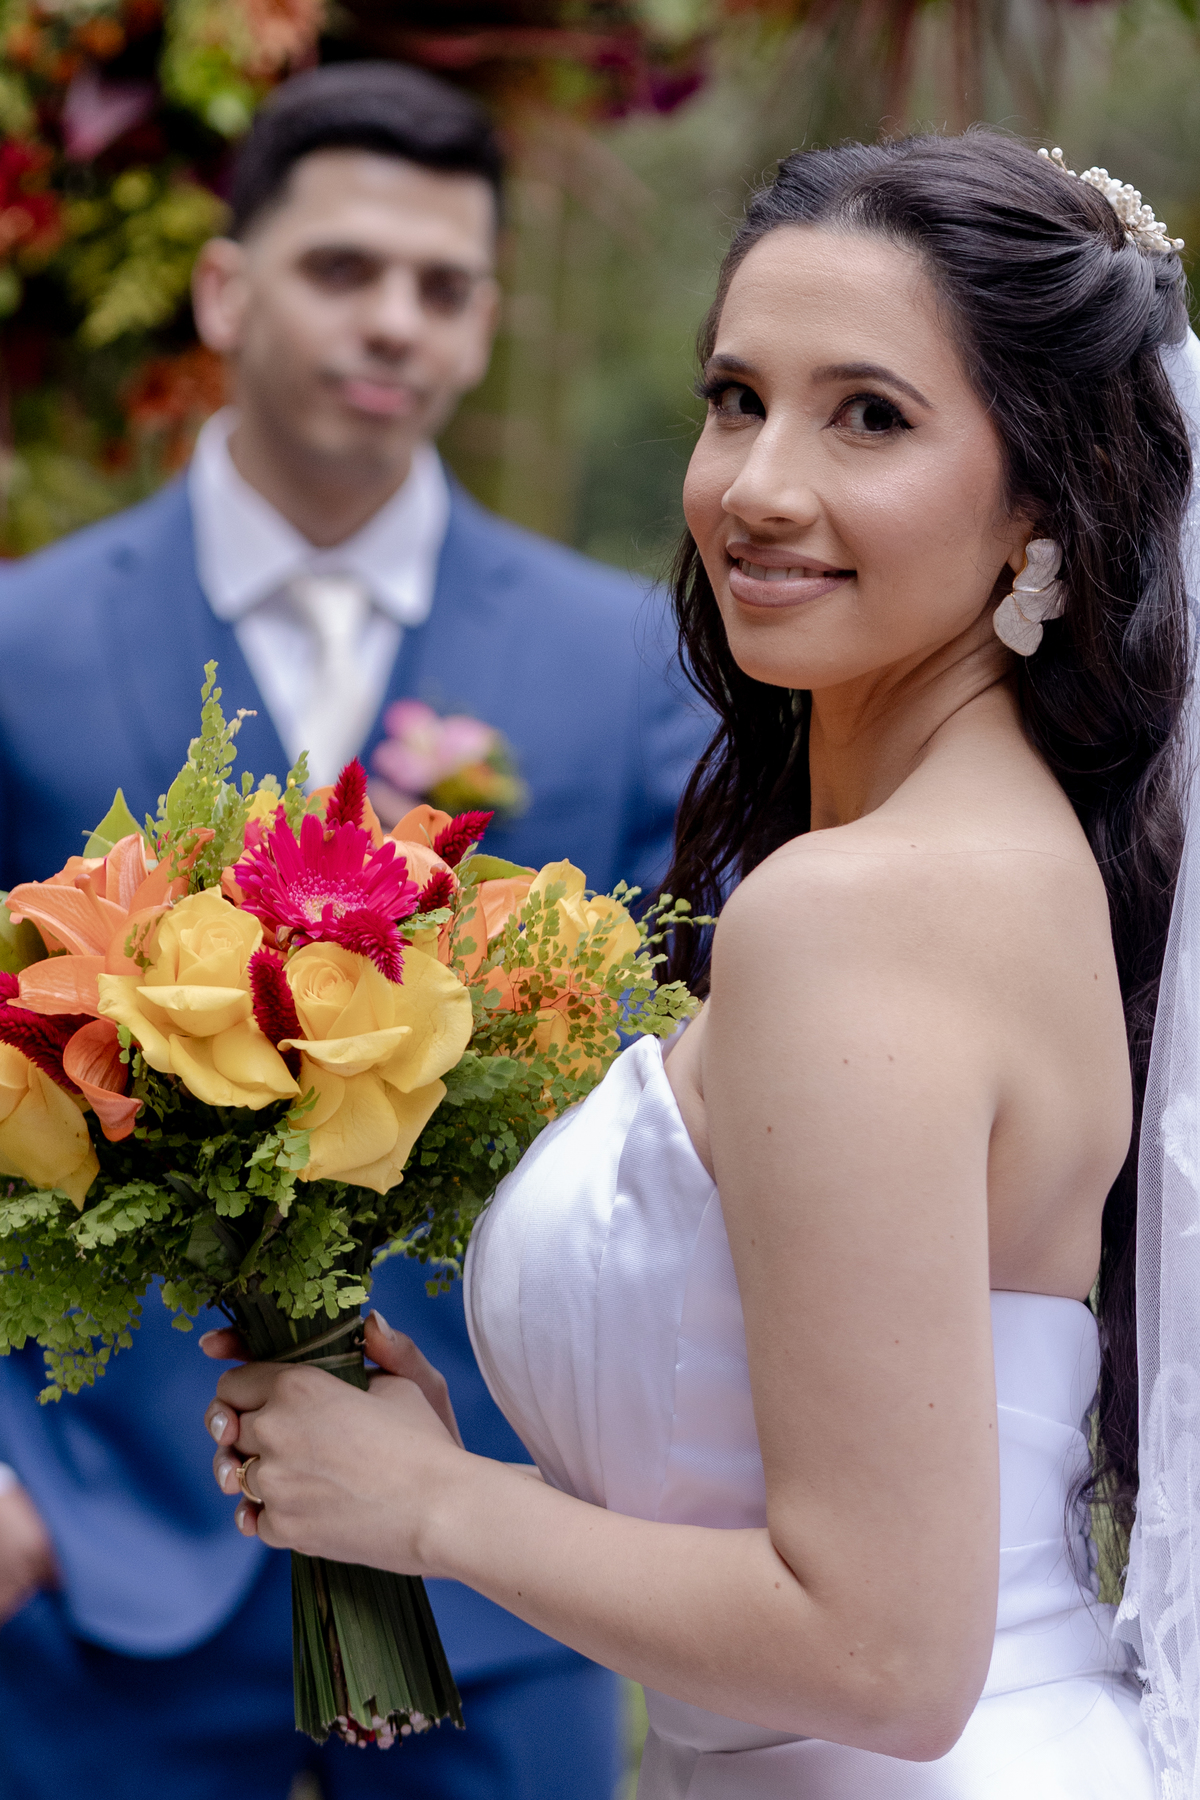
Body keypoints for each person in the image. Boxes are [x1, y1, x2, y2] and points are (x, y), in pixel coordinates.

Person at [200, 129, 1199, 1797]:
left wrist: (433, 1509)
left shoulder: (863, 909)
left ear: (1044, 495)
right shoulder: (1006, 861)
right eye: (738, 398)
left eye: (869, 415)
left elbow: (881, 1654)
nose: (758, 485)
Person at [0, 59, 707, 1800]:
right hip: (92, 1553)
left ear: (483, 327)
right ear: (228, 290)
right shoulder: (17, 644)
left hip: (507, 1555)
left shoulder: (628, 663)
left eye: (445, 286)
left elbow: (693, 1102)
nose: (396, 321)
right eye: (344, 270)